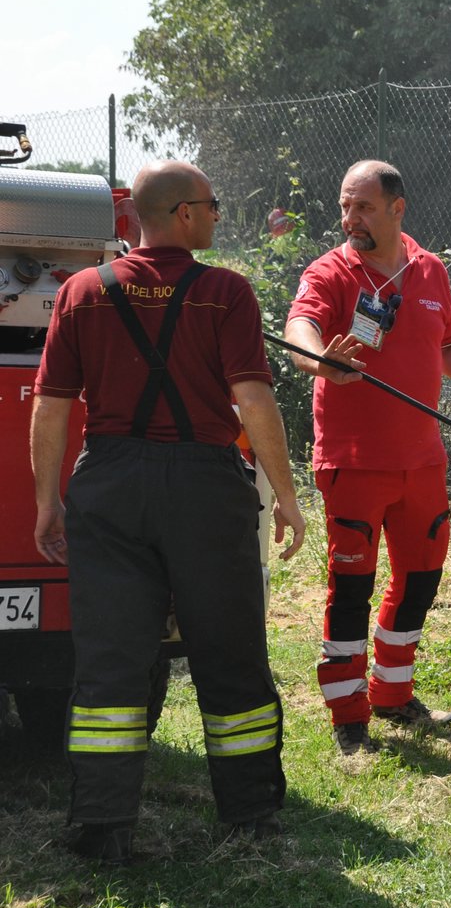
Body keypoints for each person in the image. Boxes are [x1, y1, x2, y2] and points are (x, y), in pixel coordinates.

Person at [31, 160, 307, 862]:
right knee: (229, 651)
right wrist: (287, 496)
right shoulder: (225, 294)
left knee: (110, 660)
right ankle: (250, 817)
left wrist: (48, 502)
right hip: (205, 488)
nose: (219, 214)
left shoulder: (81, 292)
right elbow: (254, 401)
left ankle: (102, 827)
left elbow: (52, 407)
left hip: (111, 484)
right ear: (182, 214)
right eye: (212, 204)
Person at [284, 160, 451, 756]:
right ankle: (347, 714)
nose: (350, 219)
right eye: (345, 206)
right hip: (354, 463)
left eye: (362, 206)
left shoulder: (429, 270)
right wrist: (321, 362)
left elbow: (446, 348)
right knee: (352, 588)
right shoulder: (330, 271)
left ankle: (392, 693)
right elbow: (300, 330)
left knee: (419, 581)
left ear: (396, 208)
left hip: (423, 462)